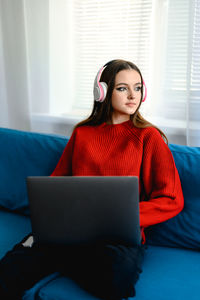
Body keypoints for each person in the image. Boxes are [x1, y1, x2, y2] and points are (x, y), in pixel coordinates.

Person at [0, 59, 184, 300]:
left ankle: (59, 257)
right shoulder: (82, 133)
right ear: (103, 92)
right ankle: (56, 252)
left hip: (118, 236)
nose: (132, 95)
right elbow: (57, 183)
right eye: (122, 88)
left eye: (138, 88)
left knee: (117, 281)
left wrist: (124, 216)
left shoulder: (149, 137)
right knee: (9, 271)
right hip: (73, 230)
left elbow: (171, 198)